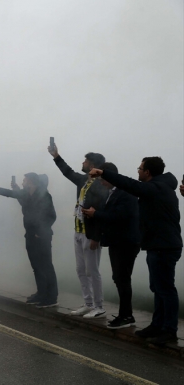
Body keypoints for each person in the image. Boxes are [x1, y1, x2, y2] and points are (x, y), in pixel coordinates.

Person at [90, 157, 182, 344]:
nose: (138, 171)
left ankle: (169, 330)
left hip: (164, 246)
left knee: (165, 289)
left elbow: (131, 185)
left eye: (140, 168)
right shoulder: (158, 188)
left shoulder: (157, 188)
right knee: (158, 288)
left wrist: (104, 173)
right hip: (157, 245)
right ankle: (157, 325)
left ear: (148, 172)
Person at [0, 173, 58, 308]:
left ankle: (52, 297)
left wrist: (40, 232)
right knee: (36, 266)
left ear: (31, 182)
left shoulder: (44, 195)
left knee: (46, 266)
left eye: (25, 180)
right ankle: (41, 293)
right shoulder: (26, 194)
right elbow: (8, 193)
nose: (23, 181)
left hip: (42, 236)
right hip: (30, 235)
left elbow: (52, 216)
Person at [49, 144, 108, 318]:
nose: (82, 163)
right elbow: (67, 172)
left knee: (93, 271)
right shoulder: (84, 181)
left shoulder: (100, 185)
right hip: (78, 231)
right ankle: (88, 303)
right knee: (81, 270)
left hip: (90, 234)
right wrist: (56, 156)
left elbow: (101, 211)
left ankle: (99, 306)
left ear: (91, 165)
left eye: (85, 161)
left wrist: (96, 237)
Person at [81, 163, 140, 329]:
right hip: (117, 241)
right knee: (119, 278)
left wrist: (95, 214)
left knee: (122, 279)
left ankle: (126, 316)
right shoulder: (111, 192)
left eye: (102, 178)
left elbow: (119, 216)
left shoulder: (126, 192)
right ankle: (124, 314)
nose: (100, 182)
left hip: (126, 242)